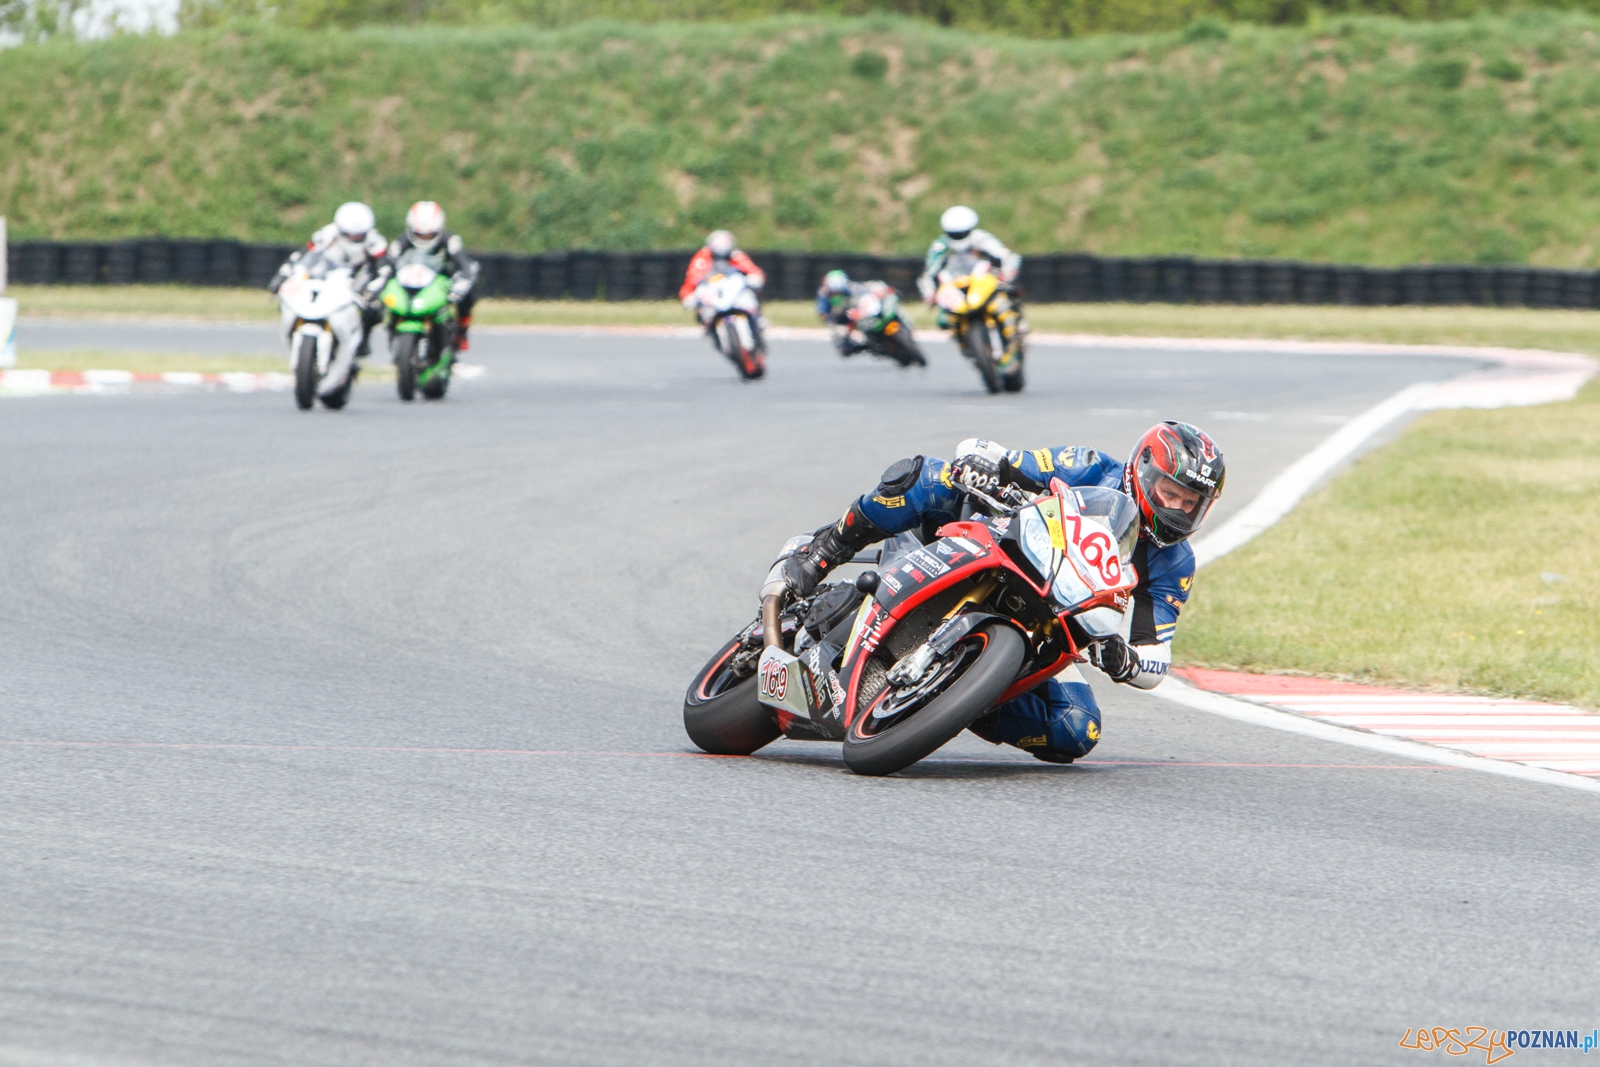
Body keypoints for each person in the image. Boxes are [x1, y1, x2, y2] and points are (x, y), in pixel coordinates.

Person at [778, 422, 1225, 764]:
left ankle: (957, 696)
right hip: (992, 547)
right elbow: (998, 456)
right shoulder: (1091, 466)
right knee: (929, 477)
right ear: (1145, 471)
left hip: (1046, 627)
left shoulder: (1175, 563)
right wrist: (985, 465)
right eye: (1171, 493)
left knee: (1077, 729)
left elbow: (1156, 657)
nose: (1178, 510)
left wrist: (1126, 660)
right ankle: (825, 550)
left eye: (1192, 504)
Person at [269, 201, 388, 357]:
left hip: (357, 278)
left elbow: (384, 271)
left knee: (373, 311)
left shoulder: (375, 242)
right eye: (349, 234)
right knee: (289, 298)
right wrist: (282, 276)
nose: (354, 238)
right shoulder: (326, 235)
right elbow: (301, 256)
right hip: (326, 275)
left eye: (359, 235)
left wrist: (370, 292)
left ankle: (361, 344)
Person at [916, 205, 1028, 368]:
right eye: (954, 234)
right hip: (956, 288)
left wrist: (1006, 273)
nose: (958, 237)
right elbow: (928, 273)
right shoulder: (939, 246)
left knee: (1008, 299)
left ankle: (1017, 331)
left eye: (962, 233)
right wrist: (929, 294)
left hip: (983, 282)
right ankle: (965, 343)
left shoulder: (981, 238)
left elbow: (1005, 255)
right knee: (943, 320)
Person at [383, 201, 480, 351]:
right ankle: (393, 328)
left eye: (429, 234)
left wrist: (461, 283)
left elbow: (465, 263)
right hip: (411, 280)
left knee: (468, 294)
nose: (424, 237)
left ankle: (462, 329)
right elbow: (388, 261)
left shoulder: (450, 240)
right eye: (419, 234)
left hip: (440, 279)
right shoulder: (402, 241)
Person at [680, 230, 767, 350]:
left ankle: (758, 316)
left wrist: (755, 278)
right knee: (699, 305)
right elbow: (691, 280)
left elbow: (753, 270)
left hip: (733, 290)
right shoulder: (701, 258)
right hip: (712, 292)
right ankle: (709, 327)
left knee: (753, 290)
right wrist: (688, 296)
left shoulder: (736, 255)